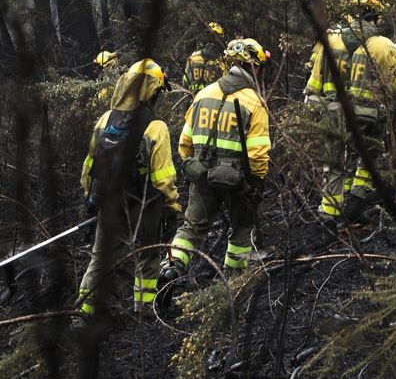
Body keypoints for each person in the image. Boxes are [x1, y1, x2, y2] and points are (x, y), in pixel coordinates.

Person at [76, 59, 180, 316]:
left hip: (107, 201)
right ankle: (145, 309)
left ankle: (82, 314)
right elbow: (163, 176)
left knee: (99, 260)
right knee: (147, 256)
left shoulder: (104, 120)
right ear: (153, 91)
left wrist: (90, 199)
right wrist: (171, 206)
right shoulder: (156, 127)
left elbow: (89, 165)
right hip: (142, 203)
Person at [164, 38, 271, 281]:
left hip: (201, 175)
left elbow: (184, 144)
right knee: (242, 228)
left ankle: (170, 268)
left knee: (190, 229)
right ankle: (235, 279)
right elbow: (257, 154)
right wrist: (256, 184)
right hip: (237, 182)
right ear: (253, 66)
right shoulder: (254, 102)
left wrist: (196, 166)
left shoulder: (203, 94)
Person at [310, 0, 381, 220]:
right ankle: (358, 198)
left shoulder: (328, 40)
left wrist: (314, 108)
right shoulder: (379, 45)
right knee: (370, 153)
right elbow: (395, 82)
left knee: (334, 163)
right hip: (366, 113)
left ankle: (329, 215)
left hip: (331, 112)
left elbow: (314, 82)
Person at [342, 17, 396, 223]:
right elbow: (394, 83)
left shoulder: (359, 49)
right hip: (371, 111)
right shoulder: (384, 46)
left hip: (351, 109)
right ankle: (355, 203)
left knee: (352, 155)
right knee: (371, 158)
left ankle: (344, 202)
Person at [183, 22, 227, 93]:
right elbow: (225, 86)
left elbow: (185, 82)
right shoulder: (221, 63)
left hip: (194, 98)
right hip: (213, 100)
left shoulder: (193, 57)